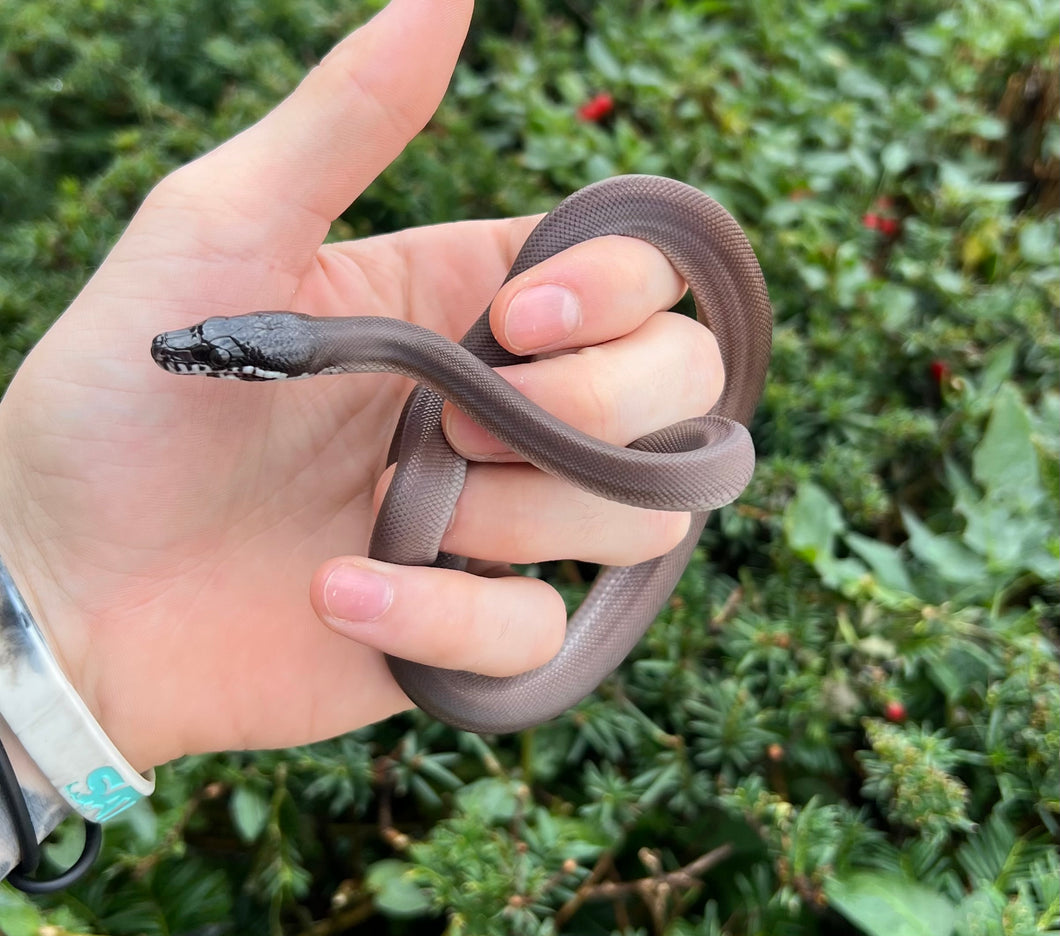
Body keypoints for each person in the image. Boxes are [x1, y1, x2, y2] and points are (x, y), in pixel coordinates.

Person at [0, 0, 723, 779]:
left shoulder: (430, 356)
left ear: (283, 365)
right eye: (215, 352)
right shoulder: (405, 368)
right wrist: (55, 606)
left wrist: (67, 655)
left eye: (222, 357)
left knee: (645, 441)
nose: (193, 354)